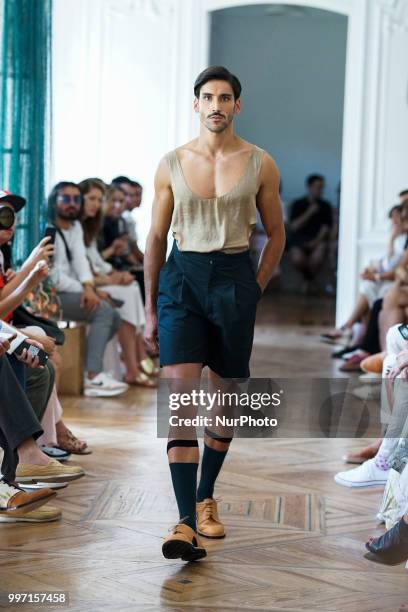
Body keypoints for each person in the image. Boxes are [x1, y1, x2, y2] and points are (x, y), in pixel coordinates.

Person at [144, 65, 285, 561]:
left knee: (223, 401)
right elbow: (157, 239)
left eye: (226, 97)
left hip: (233, 279)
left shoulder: (260, 163)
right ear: (196, 104)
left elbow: (276, 233)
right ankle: (184, 521)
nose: (217, 105)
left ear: (237, 105)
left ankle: (206, 497)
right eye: (208, 97)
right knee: (181, 397)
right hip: (181, 279)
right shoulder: (171, 163)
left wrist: (255, 288)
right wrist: (149, 309)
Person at [48, 181, 128, 397]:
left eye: (76, 199)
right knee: (103, 311)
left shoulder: (74, 227)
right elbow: (52, 277)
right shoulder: (48, 229)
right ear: (54, 202)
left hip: (70, 290)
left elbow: (82, 263)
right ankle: (93, 376)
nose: (72, 204)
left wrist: (89, 287)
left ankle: (88, 370)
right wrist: (86, 290)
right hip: (46, 297)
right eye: (66, 199)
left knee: (115, 316)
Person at [78, 178, 157, 386]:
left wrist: (113, 273)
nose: (97, 204)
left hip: (96, 278)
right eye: (93, 199)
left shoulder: (89, 226)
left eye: (99, 199)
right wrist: (110, 277)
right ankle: (134, 363)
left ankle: (138, 357)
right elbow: (83, 268)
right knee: (128, 292)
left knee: (131, 287)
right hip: (86, 284)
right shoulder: (82, 226)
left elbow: (95, 260)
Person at [322, 202, 407, 344]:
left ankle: (356, 337)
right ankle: (359, 342)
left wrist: (377, 275)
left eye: (399, 219)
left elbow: (397, 269)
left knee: (381, 294)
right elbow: (395, 265)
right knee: (370, 289)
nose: (395, 223)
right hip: (394, 280)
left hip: (394, 282)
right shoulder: (400, 240)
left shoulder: (404, 240)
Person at [288, 174, 333, 292]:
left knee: (317, 258)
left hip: (318, 241)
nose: (321, 190)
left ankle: (306, 281)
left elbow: (326, 228)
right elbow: (293, 226)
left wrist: (316, 241)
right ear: (309, 187)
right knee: (298, 259)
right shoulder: (298, 204)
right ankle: (310, 280)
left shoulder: (326, 206)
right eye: (318, 187)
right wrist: (310, 212)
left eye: (322, 187)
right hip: (299, 240)